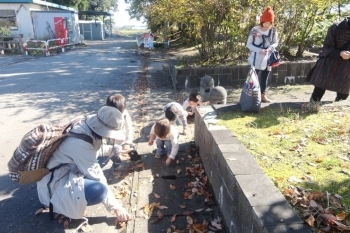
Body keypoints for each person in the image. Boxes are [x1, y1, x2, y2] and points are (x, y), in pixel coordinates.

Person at [36, 106, 132, 225]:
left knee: (102, 159)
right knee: (100, 191)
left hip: (60, 173)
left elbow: (93, 150)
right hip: (54, 188)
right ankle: (63, 207)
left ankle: (70, 199)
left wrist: (114, 150)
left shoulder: (85, 127)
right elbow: (97, 176)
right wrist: (116, 207)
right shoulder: (80, 144)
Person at [308, 17, 350, 106]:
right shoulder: (336, 27)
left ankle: (337, 112)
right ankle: (312, 107)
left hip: (346, 69)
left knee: (342, 98)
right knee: (317, 94)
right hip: (329, 65)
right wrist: (340, 53)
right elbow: (326, 48)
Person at [246, 6, 279, 103]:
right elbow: (249, 44)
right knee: (253, 78)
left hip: (267, 58)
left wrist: (270, 49)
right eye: (266, 23)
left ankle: (263, 95)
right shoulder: (255, 30)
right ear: (262, 21)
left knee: (265, 77)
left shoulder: (273, 30)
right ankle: (251, 96)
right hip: (256, 58)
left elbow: (275, 42)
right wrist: (259, 50)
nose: (267, 25)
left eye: (269, 23)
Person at [105, 94, 134, 171]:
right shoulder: (105, 116)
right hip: (112, 142)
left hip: (124, 139)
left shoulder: (125, 114)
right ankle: (117, 167)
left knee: (131, 150)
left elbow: (129, 128)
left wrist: (127, 142)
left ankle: (137, 160)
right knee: (115, 156)